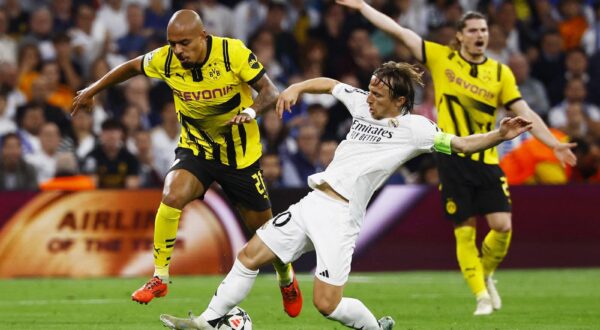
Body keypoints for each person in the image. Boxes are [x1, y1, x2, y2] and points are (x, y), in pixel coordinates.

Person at [158, 61, 534, 330]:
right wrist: (298, 88)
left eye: (378, 93)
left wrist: (499, 135)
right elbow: (330, 83)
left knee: (326, 304)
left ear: (399, 101)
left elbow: (463, 144)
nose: (368, 97)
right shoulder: (361, 105)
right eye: (369, 89)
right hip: (312, 203)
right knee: (250, 255)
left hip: (341, 218)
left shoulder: (416, 129)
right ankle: (208, 321)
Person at [336, 0, 577, 316]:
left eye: (484, 30)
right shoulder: (441, 57)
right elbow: (397, 29)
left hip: (487, 158)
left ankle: (486, 273)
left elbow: (525, 113)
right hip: (452, 157)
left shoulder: (499, 73)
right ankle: (481, 297)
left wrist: (553, 144)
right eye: (474, 30)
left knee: (502, 226)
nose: (480, 35)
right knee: (464, 230)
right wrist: (363, 7)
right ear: (461, 36)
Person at [70, 9, 302, 317]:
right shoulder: (166, 59)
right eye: (172, 43)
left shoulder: (231, 52)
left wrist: (251, 112)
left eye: (184, 43)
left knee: (267, 232)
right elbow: (131, 67)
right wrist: (92, 89)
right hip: (198, 150)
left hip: (239, 158)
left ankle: (286, 278)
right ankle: (160, 277)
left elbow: (270, 91)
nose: (178, 50)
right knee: (172, 194)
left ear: (203, 37)